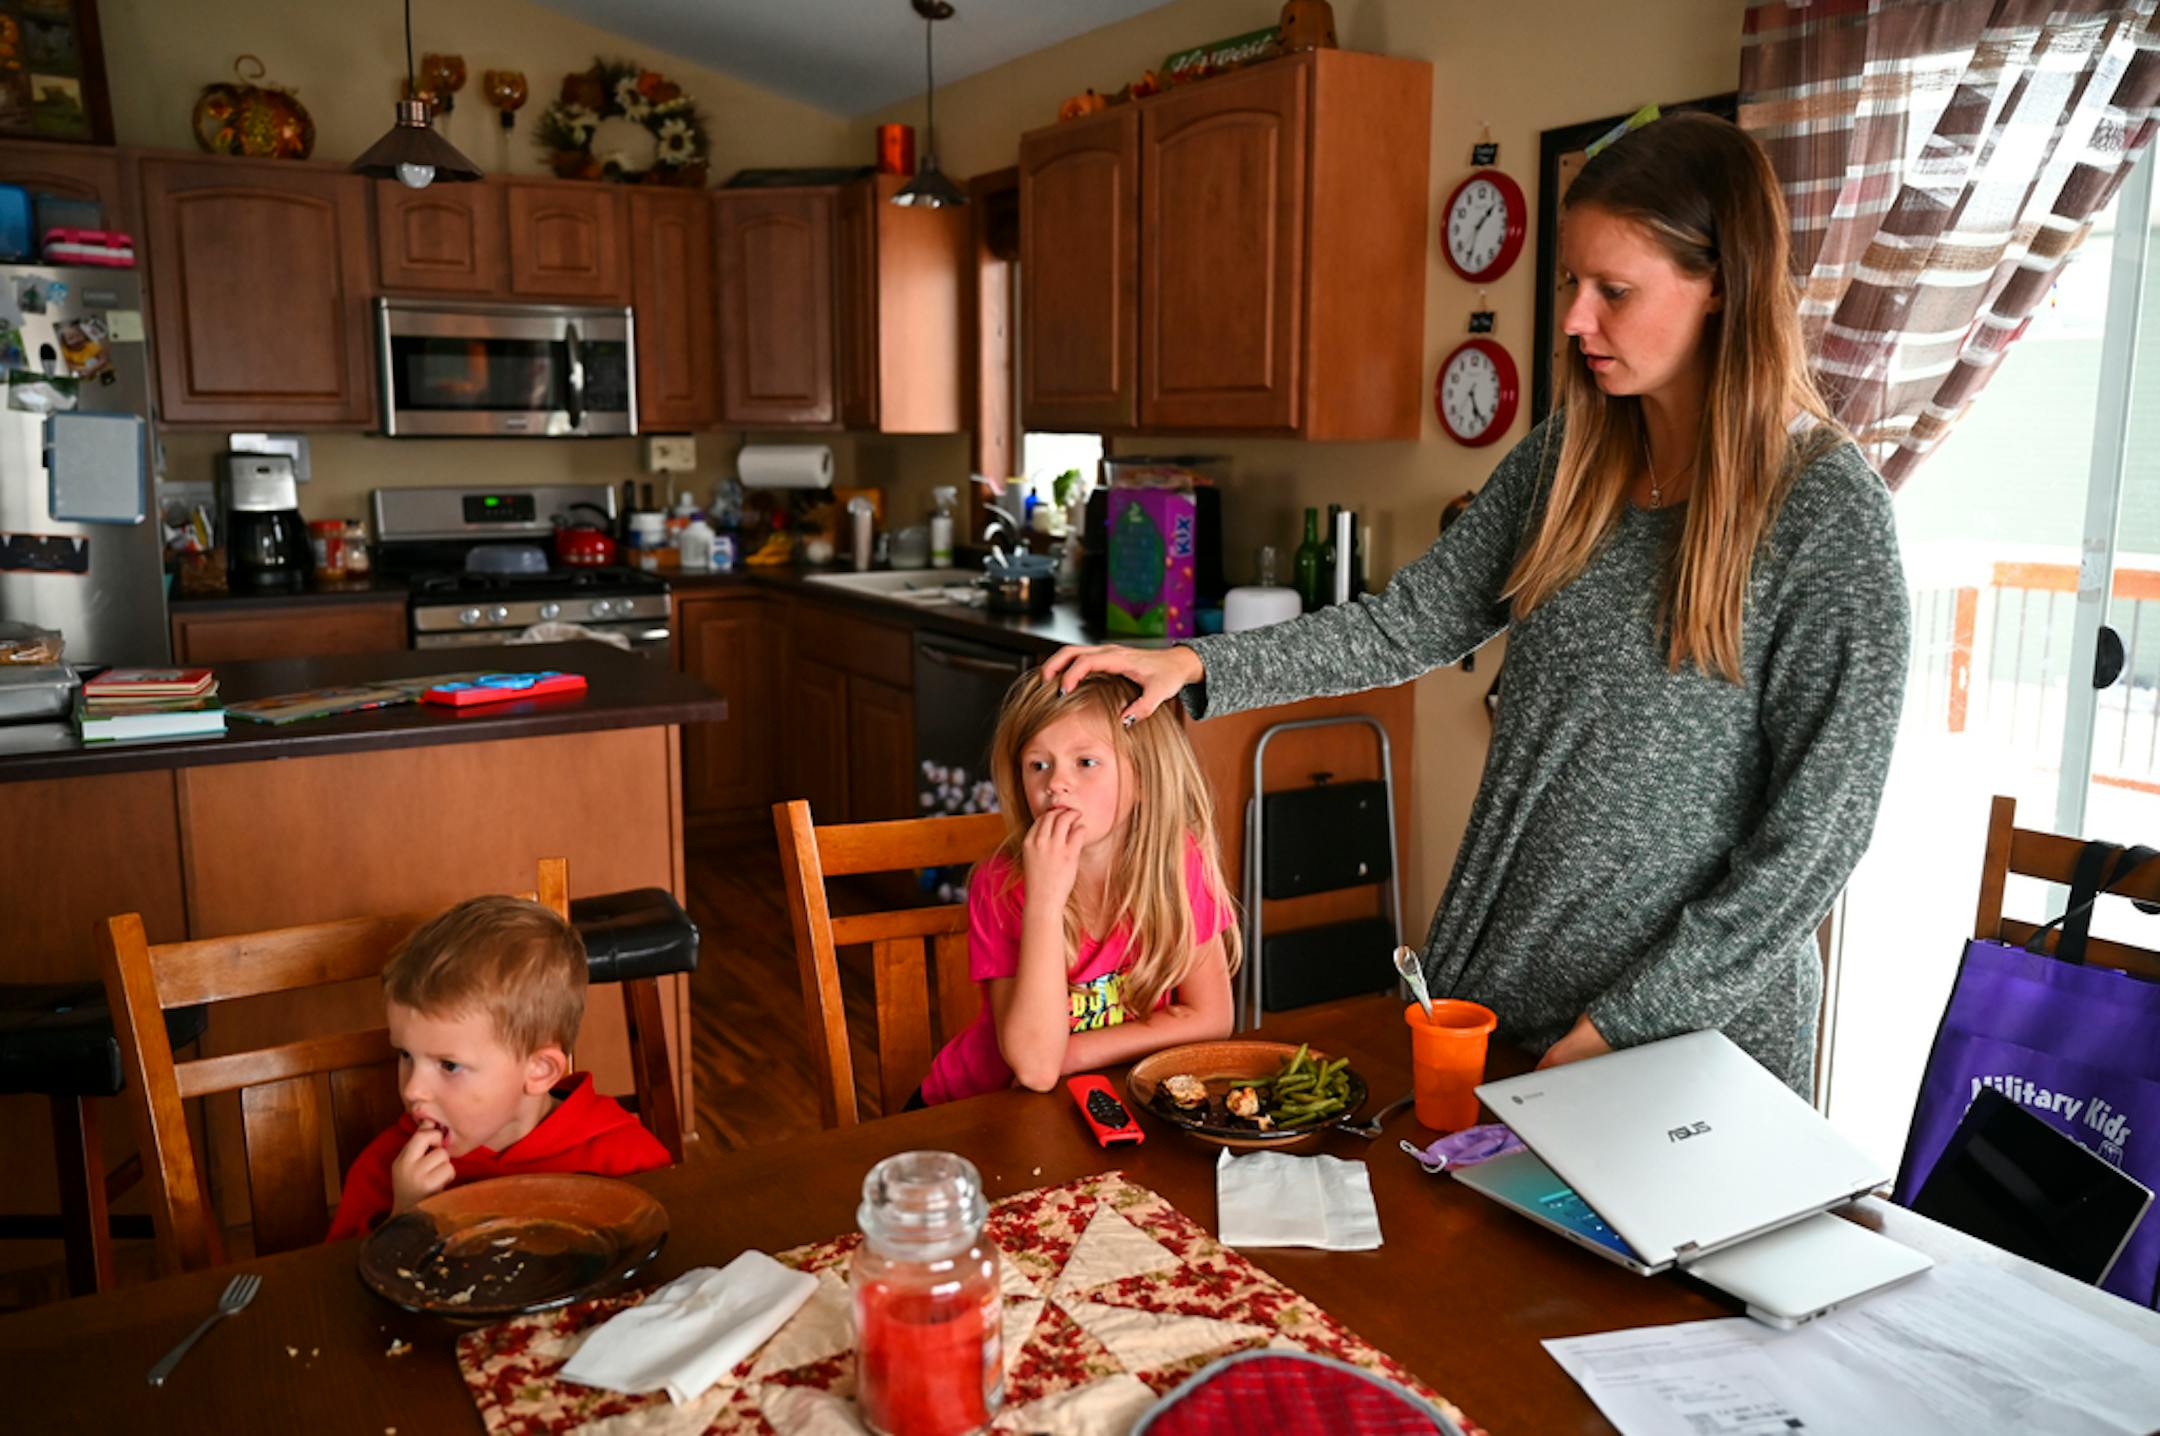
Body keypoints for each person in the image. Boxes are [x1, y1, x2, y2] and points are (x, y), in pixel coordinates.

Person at [1044, 112, 1909, 1095]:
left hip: (1689, 1052)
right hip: (1508, 1002)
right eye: (1571, 285)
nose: (1577, 320)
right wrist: (1203, 663)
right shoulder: (1566, 464)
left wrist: (1622, 1025)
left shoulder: (1825, 511)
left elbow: (1820, 834)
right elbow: (1410, 620)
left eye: (1613, 291)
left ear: (1721, 287)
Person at [916, 673, 1240, 1104]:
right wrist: (1045, 900)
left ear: (1143, 777)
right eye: (1038, 765)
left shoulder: (1179, 862)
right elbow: (1034, 1068)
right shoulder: (1000, 885)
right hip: (980, 1109)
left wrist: (1069, 1055)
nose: (1055, 784)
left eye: (1085, 762)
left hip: (1100, 1094)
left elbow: (1212, 1018)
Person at [325, 895, 671, 1241]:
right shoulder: (385, 1170)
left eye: (448, 1065)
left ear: (539, 1070)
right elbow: (339, 1285)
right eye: (405, 1055)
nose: (412, 1088)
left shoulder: (626, 1158)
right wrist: (405, 1217)